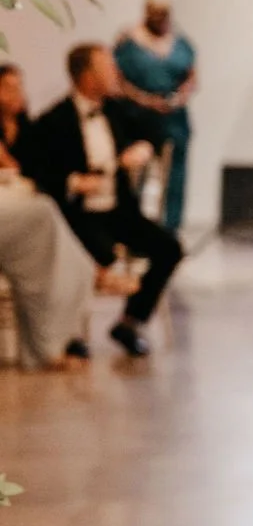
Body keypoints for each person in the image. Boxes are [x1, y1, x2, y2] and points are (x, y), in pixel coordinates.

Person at [21, 44, 175, 358]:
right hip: (79, 214)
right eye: (107, 69)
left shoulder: (116, 110)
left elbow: (157, 132)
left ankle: (130, 321)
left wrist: (142, 147)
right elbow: (33, 165)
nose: (114, 74)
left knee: (169, 249)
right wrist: (74, 182)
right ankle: (72, 331)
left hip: (118, 210)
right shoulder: (55, 119)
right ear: (87, 77)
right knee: (92, 253)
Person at [0, 63, 94, 366]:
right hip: (20, 211)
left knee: (52, 219)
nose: (16, 94)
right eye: (8, 87)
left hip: (26, 204)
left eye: (18, 86)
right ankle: (46, 345)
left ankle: (57, 337)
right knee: (45, 216)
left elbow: (42, 172)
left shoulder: (31, 129)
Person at [113, 0, 196, 231]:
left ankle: (170, 228)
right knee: (137, 174)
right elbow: (117, 79)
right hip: (138, 118)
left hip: (173, 119)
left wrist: (179, 97)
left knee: (174, 178)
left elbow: (191, 75)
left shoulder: (179, 42)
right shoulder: (129, 41)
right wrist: (143, 99)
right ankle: (135, 230)